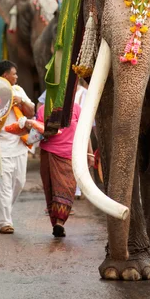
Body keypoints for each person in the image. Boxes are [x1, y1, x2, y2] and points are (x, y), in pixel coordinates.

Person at [0, 60, 35, 234]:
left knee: (19, 183)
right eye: (14, 73)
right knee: (4, 186)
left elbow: (31, 112)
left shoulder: (19, 90)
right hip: (0, 146)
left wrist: (20, 102)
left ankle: (0, 214)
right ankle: (4, 221)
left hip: (19, 145)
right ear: (5, 75)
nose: (16, 76)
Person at [32, 101, 94, 237]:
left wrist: (89, 153)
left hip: (71, 154)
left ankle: (60, 222)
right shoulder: (44, 109)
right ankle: (56, 224)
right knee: (51, 190)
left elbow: (85, 131)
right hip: (48, 153)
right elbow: (37, 131)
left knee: (67, 187)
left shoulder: (77, 108)